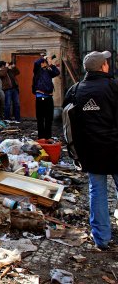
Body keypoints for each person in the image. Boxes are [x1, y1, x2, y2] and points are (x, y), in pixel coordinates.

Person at [63, 50, 118, 251]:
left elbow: (69, 126)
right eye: (106, 63)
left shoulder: (75, 90)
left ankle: (101, 239)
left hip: (91, 152)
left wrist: (75, 152)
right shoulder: (113, 88)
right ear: (103, 67)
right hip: (115, 148)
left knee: (97, 192)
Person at [32, 53, 60, 139]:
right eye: (43, 62)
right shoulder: (37, 71)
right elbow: (36, 63)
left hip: (49, 97)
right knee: (40, 118)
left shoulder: (48, 70)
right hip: (40, 97)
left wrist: (51, 63)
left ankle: (48, 137)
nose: (44, 63)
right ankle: (41, 137)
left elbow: (56, 72)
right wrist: (44, 58)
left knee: (49, 118)